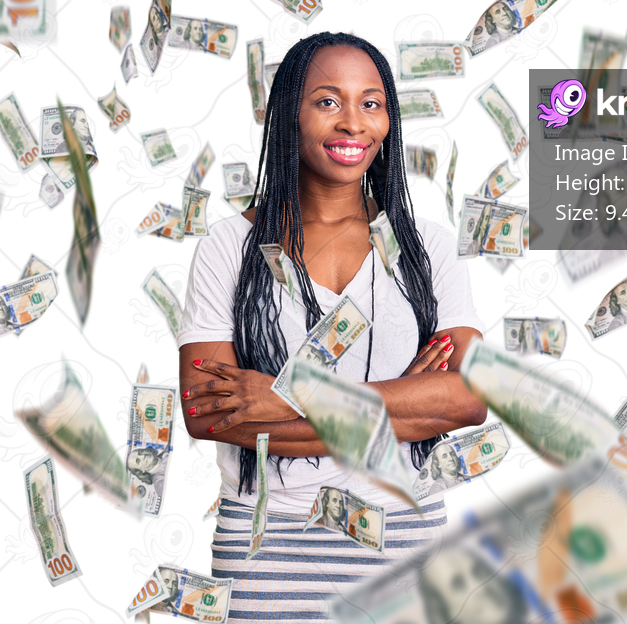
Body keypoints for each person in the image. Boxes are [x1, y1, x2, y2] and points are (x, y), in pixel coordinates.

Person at [177, 32, 485, 623]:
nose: (353, 123)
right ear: (288, 113)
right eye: (327, 101)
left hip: (406, 543)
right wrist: (407, 407)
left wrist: (285, 398)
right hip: (266, 549)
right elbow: (210, 414)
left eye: (371, 103)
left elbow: (468, 401)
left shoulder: (429, 249)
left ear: (389, 120)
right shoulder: (229, 246)